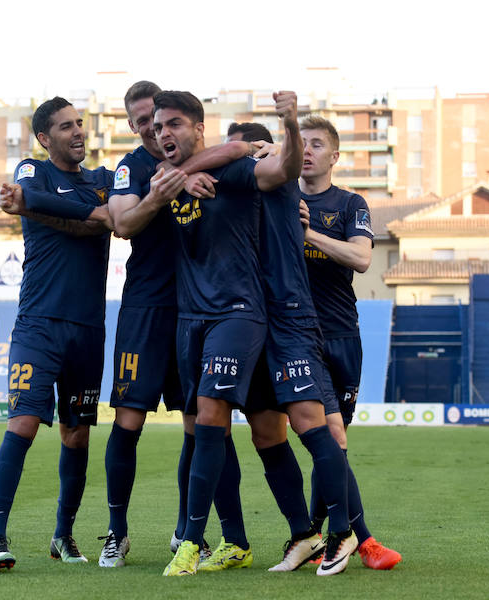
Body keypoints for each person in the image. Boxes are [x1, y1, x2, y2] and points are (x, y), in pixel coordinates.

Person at [157, 90, 355, 577]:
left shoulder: (269, 171)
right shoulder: (224, 182)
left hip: (290, 315)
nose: (234, 157)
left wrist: (286, 129)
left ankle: (348, 532)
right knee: (266, 431)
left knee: (319, 426)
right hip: (252, 319)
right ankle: (303, 534)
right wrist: (190, 172)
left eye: (246, 149)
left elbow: (281, 163)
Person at [98, 81, 239, 568]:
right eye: (142, 122)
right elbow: (122, 223)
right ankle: (117, 532)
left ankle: (185, 531)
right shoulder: (132, 168)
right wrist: (161, 194)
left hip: (198, 308)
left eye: (156, 120)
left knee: (197, 421)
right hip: (146, 307)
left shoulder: (203, 161)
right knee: (129, 420)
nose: (151, 129)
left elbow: (239, 157)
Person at [0, 96, 114, 571]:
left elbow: (113, 213)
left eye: (79, 123)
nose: (78, 132)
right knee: (23, 422)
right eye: (65, 126)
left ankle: (63, 535)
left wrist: (49, 209)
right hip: (38, 323)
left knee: (76, 435)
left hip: (89, 328)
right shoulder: (32, 170)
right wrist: (92, 215)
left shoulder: (104, 180)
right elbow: (32, 199)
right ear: (44, 138)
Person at [298, 116, 401, 570]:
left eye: (317, 144)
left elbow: (361, 257)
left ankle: (312, 534)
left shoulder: (350, 204)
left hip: (344, 334)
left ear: (335, 156)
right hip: (300, 337)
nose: (306, 150)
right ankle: (363, 540)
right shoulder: (279, 199)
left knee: (332, 448)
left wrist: (308, 234)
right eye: (301, 143)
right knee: (331, 436)